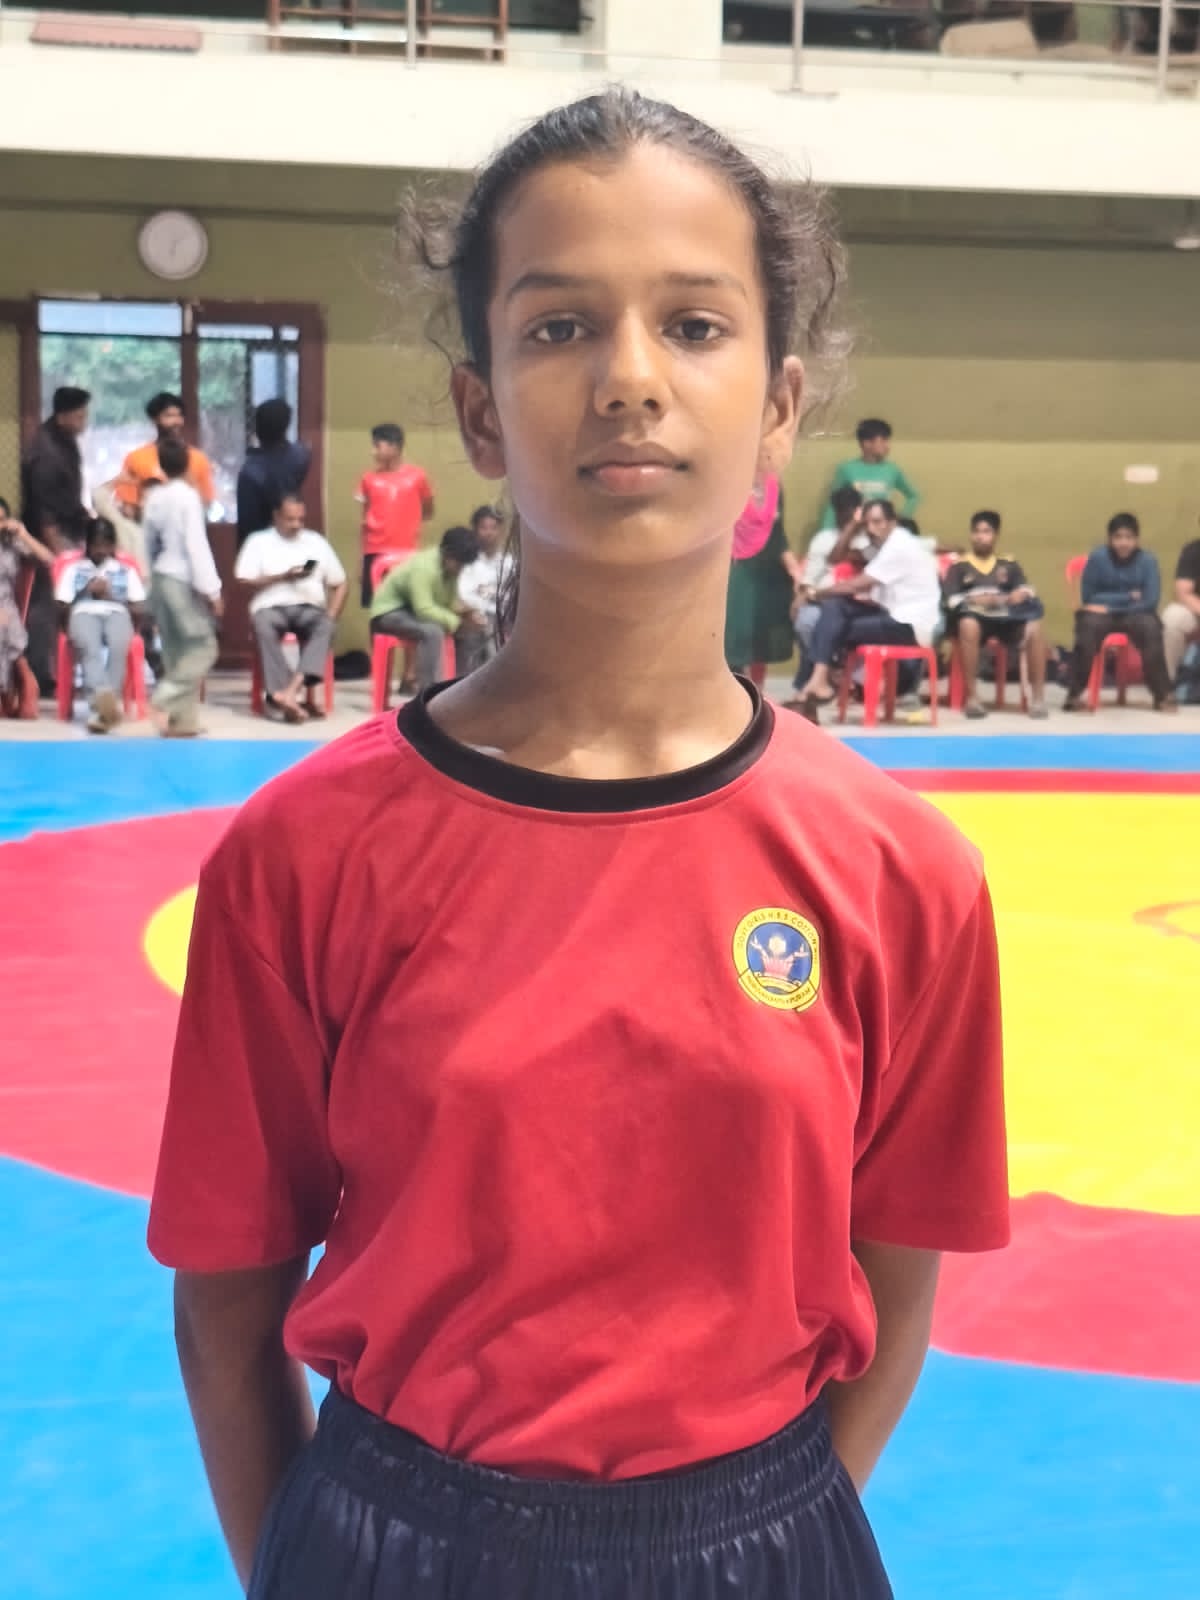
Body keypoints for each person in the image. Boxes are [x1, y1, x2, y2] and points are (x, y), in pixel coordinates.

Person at [149, 89, 1008, 1600]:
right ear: (481, 408)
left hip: (767, 1544)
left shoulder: (901, 874)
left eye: (694, 324)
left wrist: (732, 1543)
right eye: (558, 327)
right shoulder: (305, 854)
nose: (629, 379)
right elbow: (227, 1305)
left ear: (781, 403)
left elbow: (894, 1292)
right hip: (385, 1543)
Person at [799, 498, 942, 722]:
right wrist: (853, 526)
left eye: (877, 522)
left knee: (835, 624)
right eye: (867, 523)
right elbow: (836, 559)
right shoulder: (881, 544)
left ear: (892, 522)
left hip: (910, 625)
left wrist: (816, 593)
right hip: (889, 613)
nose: (871, 529)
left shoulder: (899, 546)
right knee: (835, 607)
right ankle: (820, 678)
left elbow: (856, 585)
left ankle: (821, 679)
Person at [235, 493, 347, 723]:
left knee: (326, 626)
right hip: (271, 606)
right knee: (263, 625)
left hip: (309, 607)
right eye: (290, 519)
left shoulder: (315, 542)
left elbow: (341, 583)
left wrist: (332, 614)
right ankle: (279, 693)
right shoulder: (259, 542)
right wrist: (283, 577)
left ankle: (289, 692)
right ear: (276, 516)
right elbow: (243, 580)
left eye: (300, 519)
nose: (296, 525)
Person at [144, 438, 224, 738]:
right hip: (181, 578)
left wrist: (149, 580)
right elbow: (196, 545)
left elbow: (148, 542)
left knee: (176, 652)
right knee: (204, 647)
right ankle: (165, 697)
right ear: (188, 464)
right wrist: (212, 591)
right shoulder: (188, 497)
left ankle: (183, 722)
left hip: (160, 577)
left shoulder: (154, 497)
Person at [942, 510, 1049, 719]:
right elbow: (950, 599)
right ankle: (973, 699)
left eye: (986, 532)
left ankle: (1038, 700)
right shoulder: (959, 565)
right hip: (976, 619)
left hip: (1006, 618)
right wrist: (973, 599)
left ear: (995, 535)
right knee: (967, 625)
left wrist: (1020, 593)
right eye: (976, 532)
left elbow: (1026, 589)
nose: (980, 536)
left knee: (1035, 628)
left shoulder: (1008, 563)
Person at [20, 384, 91, 694]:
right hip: (48, 536)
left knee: (63, 603)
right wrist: (57, 553)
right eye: (79, 416)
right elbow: (44, 511)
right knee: (47, 605)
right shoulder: (45, 451)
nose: (84, 421)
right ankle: (41, 675)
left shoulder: (65, 441)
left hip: (70, 527)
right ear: (62, 416)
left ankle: (64, 670)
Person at [1064, 513, 1174, 712]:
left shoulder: (1148, 561)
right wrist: (1130, 596)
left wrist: (1109, 604)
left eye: (1129, 537)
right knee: (1087, 625)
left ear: (1137, 540)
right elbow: (1089, 598)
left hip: (1135, 614)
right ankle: (1074, 695)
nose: (1123, 543)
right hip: (1103, 615)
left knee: (1151, 627)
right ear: (1110, 539)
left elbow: (1150, 601)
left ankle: (1162, 696)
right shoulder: (1097, 558)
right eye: (1118, 537)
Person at [54, 515, 145, 734]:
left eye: (106, 545)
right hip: (83, 612)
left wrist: (111, 596)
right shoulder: (74, 569)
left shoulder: (125, 571)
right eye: (96, 545)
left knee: (118, 646)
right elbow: (61, 605)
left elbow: (139, 607)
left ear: (113, 546)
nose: (101, 550)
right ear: (88, 545)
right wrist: (86, 591)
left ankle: (105, 707)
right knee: (90, 648)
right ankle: (102, 706)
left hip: (117, 612)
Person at [369, 524, 483, 691]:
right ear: (447, 554)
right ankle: (430, 692)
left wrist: (467, 614)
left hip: (412, 612)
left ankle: (461, 688)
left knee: (469, 633)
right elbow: (423, 608)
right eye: (459, 564)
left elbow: (447, 603)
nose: (461, 569)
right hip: (388, 612)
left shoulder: (450, 570)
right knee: (432, 632)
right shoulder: (424, 567)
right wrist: (457, 622)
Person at [724, 474, 806, 684]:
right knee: (735, 640)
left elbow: (778, 535)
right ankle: (740, 693)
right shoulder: (729, 478)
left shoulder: (773, 484)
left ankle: (758, 693)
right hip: (734, 568)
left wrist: (794, 569)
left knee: (761, 641)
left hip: (769, 572)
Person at [785, 485, 863, 703]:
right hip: (821, 599)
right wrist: (801, 596)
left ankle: (828, 679)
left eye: (850, 510)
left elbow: (839, 558)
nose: (845, 515)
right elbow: (810, 577)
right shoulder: (823, 539)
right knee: (805, 622)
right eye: (841, 510)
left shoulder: (867, 538)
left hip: (855, 603)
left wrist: (853, 529)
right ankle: (828, 675)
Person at [355, 422, 435, 604]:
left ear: (394, 446)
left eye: (377, 446)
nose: (373, 452)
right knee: (378, 606)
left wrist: (405, 523)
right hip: (374, 552)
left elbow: (428, 510)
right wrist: (361, 559)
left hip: (406, 552)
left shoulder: (418, 476)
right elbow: (364, 521)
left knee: (406, 604)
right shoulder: (368, 479)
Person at [113, 392, 216, 522]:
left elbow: (206, 502)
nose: (176, 421)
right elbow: (128, 507)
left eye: (179, 415)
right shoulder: (136, 458)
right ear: (154, 419)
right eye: (169, 416)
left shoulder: (198, 458)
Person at [0, 498, 53, 719]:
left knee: (5, 624)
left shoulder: (10, 542)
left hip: (5, 603)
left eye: (2, 519)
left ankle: (8, 691)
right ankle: (18, 684)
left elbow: (49, 559)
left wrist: (23, 534)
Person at [236, 399, 312, 547]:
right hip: (291, 544)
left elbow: (247, 526)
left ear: (257, 429)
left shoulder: (251, 472)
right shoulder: (301, 456)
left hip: (262, 547)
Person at [821, 419, 918, 529]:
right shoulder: (846, 469)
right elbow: (833, 503)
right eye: (883, 440)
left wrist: (901, 517)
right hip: (854, 529)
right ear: (867, 443)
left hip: (882, 531)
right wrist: (825, 530)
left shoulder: (892, 469)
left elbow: (914, 496)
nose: (887, 446)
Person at [455, 504, 507, 672]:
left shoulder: (509, 563)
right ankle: (467, 680)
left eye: (493, 528)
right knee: (473, 630)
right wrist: (476, 612)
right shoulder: (467, 562)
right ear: (475, 530)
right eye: (484, 528)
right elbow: (461, 594)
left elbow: (512, 597)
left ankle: (498, 679)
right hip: (472, 615)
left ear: (500, 531)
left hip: (501, 617)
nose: (489, 533)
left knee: (497, 629)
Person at [1162, 527, 1200, 693]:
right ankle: (1167, 687)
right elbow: (1183, 593)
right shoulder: (1193, 551)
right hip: (1196, 609)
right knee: (1172, 617)